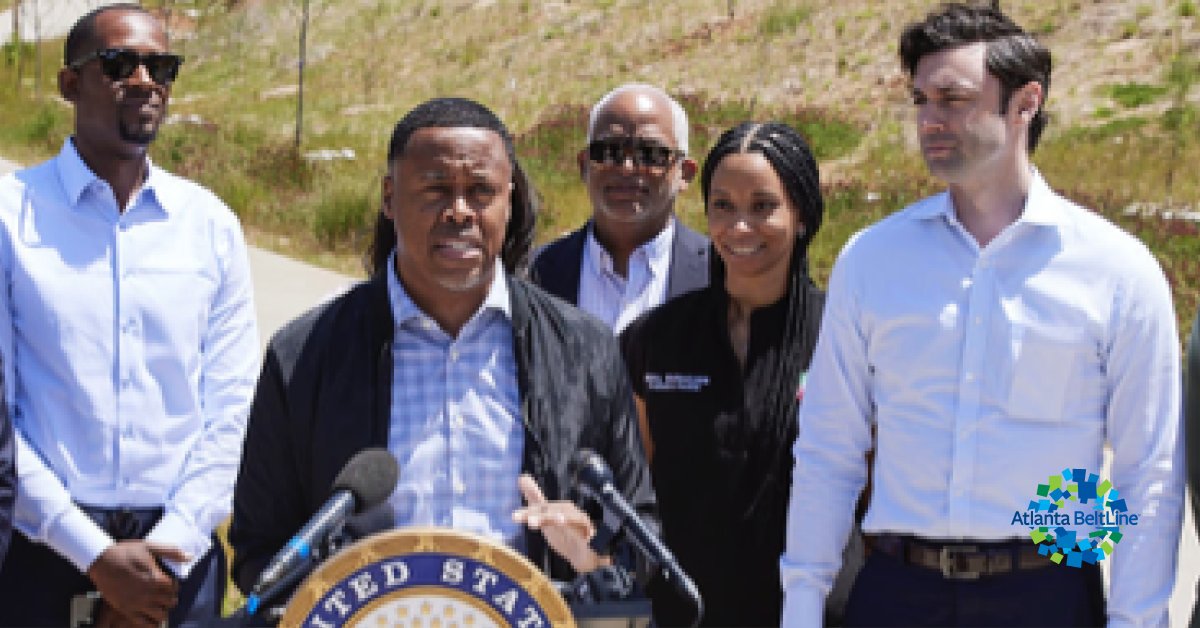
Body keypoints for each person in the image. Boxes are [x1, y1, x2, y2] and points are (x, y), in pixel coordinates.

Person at [781, 3, 1182, 626]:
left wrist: (1138, 620)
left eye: (952, 97)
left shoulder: (1118, 273)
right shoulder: (873, 261)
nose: (929, 119)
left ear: (1025, 103)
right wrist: (802, 604)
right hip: (894, 590)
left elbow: (1145, 474)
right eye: (920, 99)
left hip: (1048, 591)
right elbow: (831, 446)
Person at [228, 97, 657, 603]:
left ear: (510, 199)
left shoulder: (584, 351)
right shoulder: (304, 355)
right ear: (390, 198)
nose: (460, 212)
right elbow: (261, 549)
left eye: (481, 192)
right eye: (435, 190)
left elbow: (639, 547)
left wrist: (592, 556)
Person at [0, 4, 260, 627]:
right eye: (119, 64)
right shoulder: (11, 217)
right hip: (41, 549)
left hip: (180, 558)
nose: (145, 81)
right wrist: (94, 557)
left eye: (161, 67)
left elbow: (233, 407)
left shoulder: (210, 226)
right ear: (69, 83)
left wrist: (165, 557)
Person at [621, 122, 831, 626]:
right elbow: (634, 490)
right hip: (679, 613)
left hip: (806, 612)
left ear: (801, 214)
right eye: (723, 206)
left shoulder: (842, 336)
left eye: (763, 206)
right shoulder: (655, 338)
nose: (739, 227)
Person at [529, 83, 708, 333]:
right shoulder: (533, 275)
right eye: (608, 151)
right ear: (584, 166)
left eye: (650, 153)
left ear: (684, 173)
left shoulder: (720, 275)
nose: (626, 168)